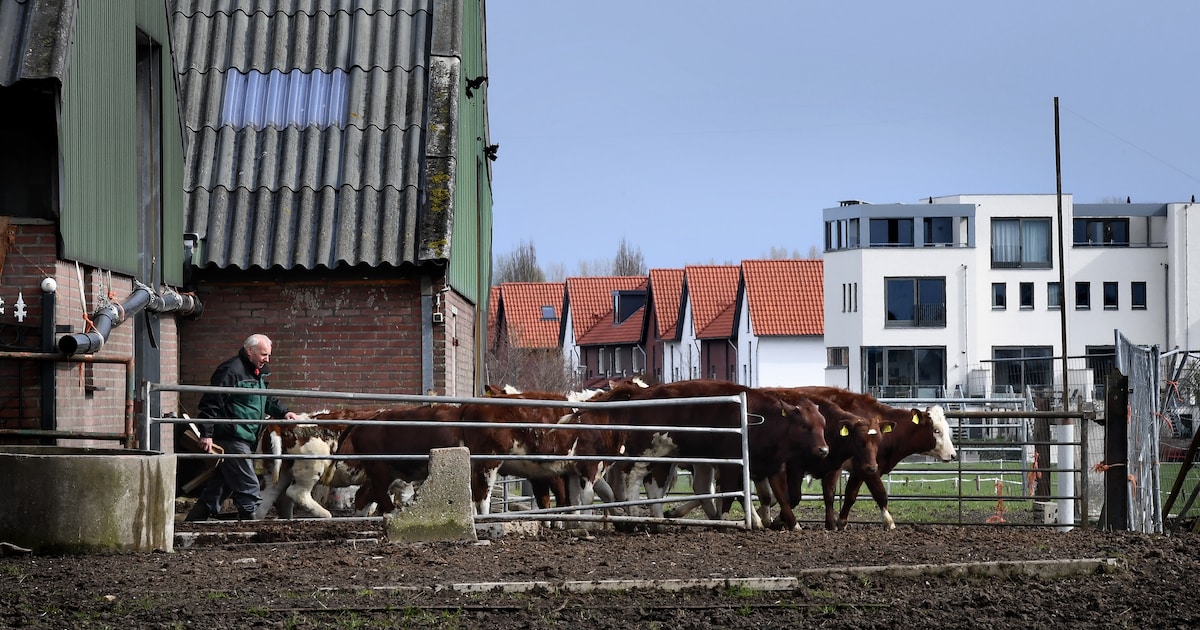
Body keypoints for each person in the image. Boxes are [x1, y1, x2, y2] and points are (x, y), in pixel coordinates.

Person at [186, 334, 297, 521]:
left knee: (222, 484)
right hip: (232, 436)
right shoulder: (231, 371)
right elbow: (211, 402)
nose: (267, 359)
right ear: (250, 351)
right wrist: (207, 434)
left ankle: (193, 521)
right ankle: (252, 525)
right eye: (264, 354)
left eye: (268, 355)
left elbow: (265, 398)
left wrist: (284, 412)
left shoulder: (257, 372)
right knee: (248, 484)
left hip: (246, 435)